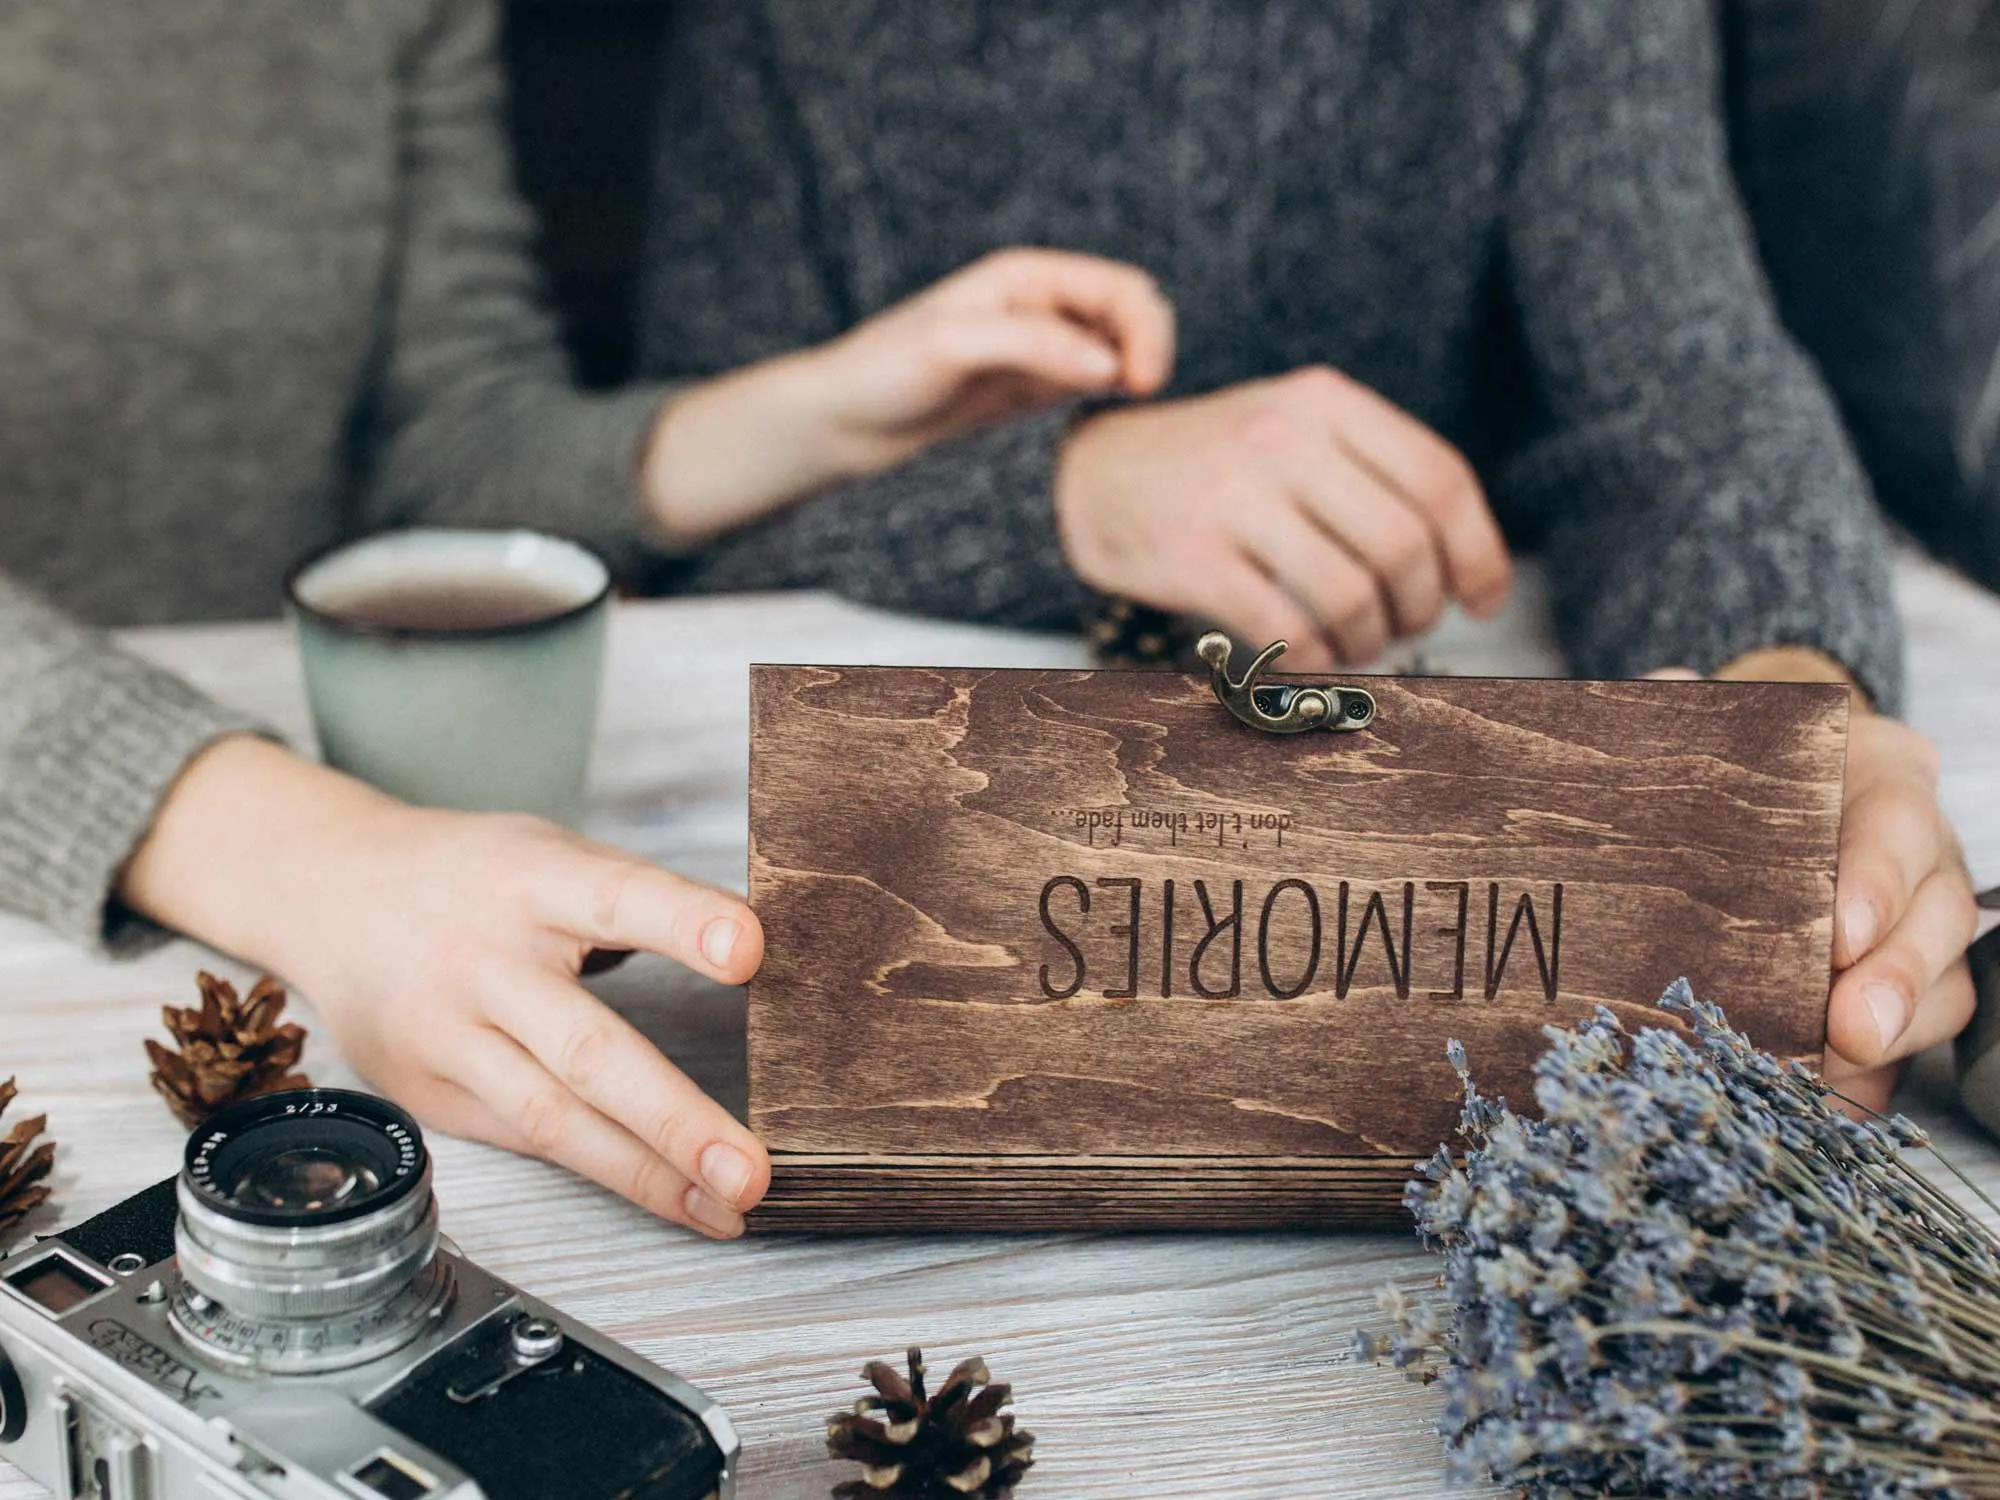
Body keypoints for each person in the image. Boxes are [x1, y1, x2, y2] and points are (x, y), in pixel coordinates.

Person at [639, 0, 1976, 1111]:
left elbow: (1683, 397)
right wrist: (1061, 491)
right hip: (915, 880)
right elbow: (683, 496)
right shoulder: (793, 35)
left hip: (1433, 806)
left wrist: (1807, 707)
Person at [0, 0, 1173, 1239]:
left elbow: (453, 446)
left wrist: (826, 413)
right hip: (151, 948)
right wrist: (326, 867)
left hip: (368, 870)